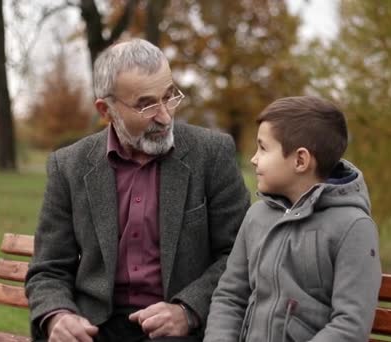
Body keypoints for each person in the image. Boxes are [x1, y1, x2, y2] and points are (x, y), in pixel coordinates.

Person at [25, 38, 251, 342]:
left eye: (169, 97)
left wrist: (188, 310)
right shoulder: (69, 165)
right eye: (146, 104)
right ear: (106, 110)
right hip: (95, 327)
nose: (165, 116)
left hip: (180, 330)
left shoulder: (211, 154)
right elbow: (48, 269)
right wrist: (57, 316)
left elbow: (239, 255)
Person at [203, 96, 382, 342]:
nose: (254, 159)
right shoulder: (257, 216)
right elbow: (229, 297)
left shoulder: (353, 227)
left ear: (300, 160)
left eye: (263, 148)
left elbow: (350, 325)